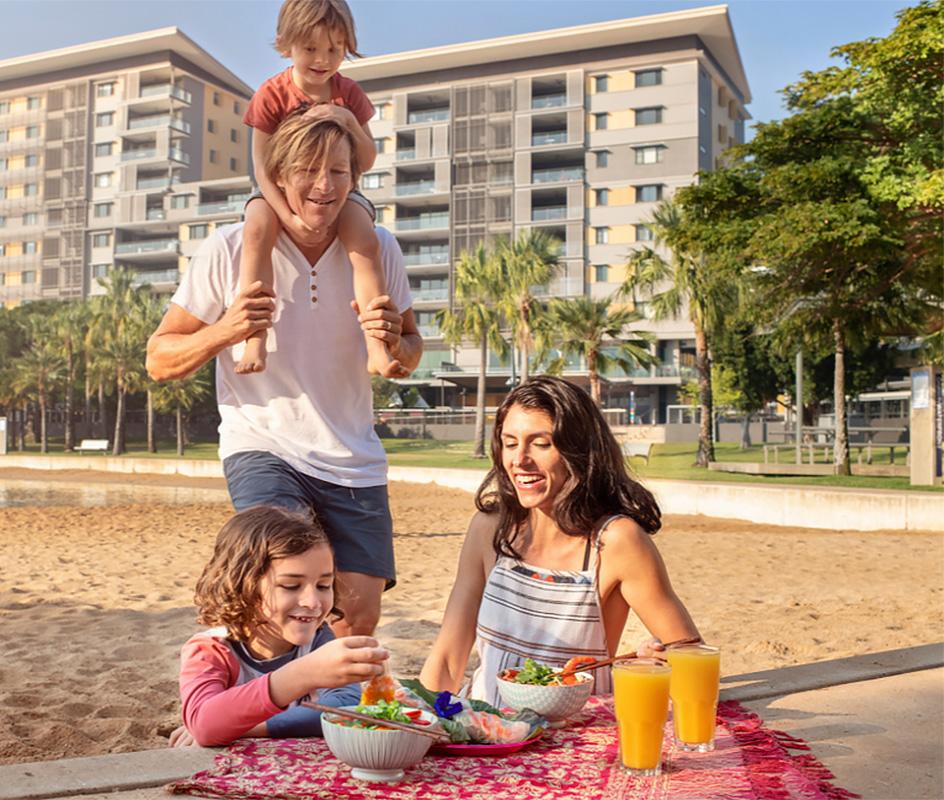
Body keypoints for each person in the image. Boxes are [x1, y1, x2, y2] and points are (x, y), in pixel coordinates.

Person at [146, 111, 423, 639]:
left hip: (352, 456)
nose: (324, 186)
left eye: (339, 172)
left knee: (355, 615)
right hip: (264, 446)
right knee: (283, 580)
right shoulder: (229, 249)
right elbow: (160, 358)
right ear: (277, 177)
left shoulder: (378, 247)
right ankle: (244, 703)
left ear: (354, 179)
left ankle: (328, 715)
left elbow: (411, 350)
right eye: (308, 171)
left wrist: (397, 344)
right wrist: (227, 330)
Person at [419, 376, 701, 705]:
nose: (519, 459)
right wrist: (417, 724)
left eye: (540, 444)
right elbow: (448, 658)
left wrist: (645, 664)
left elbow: (690, 656)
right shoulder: (489, 529)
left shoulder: (616, 541)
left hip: (573, 743)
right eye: (510, 443)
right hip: (487, 733)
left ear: (577, 451)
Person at [236, 0, 401, 378]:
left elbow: (368, 158)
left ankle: (376, 346)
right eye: (310, 48)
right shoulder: (272, 94)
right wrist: (289, 217)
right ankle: (254, 336)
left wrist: (347, 119)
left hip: (339, 194)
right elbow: (261, 168)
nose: (322, 59)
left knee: (365, 241)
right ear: (287, 45)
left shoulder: (349, 94)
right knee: (257, 230)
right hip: (279, 192)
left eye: (334, 49)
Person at [170, 505, 388, 747]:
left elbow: (346, 709)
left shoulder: (318, 640)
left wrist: (246, 728)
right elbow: (205, 724)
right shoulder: (210, 650)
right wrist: (302, 675)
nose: (312, 602)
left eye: (323, 585)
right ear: (243, 585)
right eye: (291, 586)